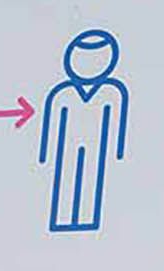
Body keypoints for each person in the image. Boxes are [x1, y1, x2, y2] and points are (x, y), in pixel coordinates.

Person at [39, 30, 129, 233]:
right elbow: (54, 126)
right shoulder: (64, 93)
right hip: (68, 145)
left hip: (96, 145)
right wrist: (47, 153)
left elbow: (114, 125)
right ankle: (63, 217)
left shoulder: (110, 92)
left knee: (90, 181)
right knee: (66, 180)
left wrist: (117, 153)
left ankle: (85, 217)